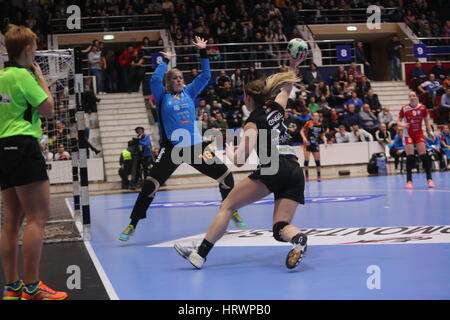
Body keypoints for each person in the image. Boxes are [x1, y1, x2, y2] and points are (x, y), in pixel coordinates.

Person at [174, 51, 309, 270]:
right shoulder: (276, 107)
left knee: (227, 205)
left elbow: (239, 161)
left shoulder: (252, 122)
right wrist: (293, 64)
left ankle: (199, 255)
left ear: (247, 99)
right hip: (294, 169)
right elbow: (286, 88)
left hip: (273, 169)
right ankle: (298, 239)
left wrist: (227, 150)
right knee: (280, 227)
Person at [119, 37, 247, 241]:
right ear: (168, 82)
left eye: (181, 78)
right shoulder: (162, 97)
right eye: (175, 78)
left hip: (196, 147)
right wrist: (165, 62)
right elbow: (154, 80)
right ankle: (133, 223)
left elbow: (205, 75)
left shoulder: (189, 92)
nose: (180, 80)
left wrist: (203, 52)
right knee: (150, 184)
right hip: (172, 149)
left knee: (225, 176)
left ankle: (230, 209)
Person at [0, 24, 67, 300]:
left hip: (2, 148)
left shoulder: (1, 76)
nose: (37, 50)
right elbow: (49, 109)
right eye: (36, 46)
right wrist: (41, 78)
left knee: (11, 220)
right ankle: (32, 286)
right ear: (28, 49)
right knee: (37, 218)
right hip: (24, 147)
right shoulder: (22, 76)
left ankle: (12, 287)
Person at [397, 91, 435, 189]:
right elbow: (398, 121)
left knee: (424, 156)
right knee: (410, 157)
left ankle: (429, 179)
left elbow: (427, 123)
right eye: (410, 96)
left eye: (413, 95)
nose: (412, 97)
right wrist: (403, 125)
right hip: (408, 134)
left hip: (419, 134)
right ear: (408, 98)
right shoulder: (405, 108)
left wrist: (430, 132)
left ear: (416, 97)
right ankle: (409, 181)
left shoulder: (422, 107)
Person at [300, 112, 328, 182]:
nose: (316, 117)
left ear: (319, 117)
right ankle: (306, 176)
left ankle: (319, 176)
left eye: (317, 116)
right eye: (314, 116)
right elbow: (301, 131)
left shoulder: (320, 125)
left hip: (315, 144)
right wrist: (304, 138)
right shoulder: (309, 123)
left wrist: (325, 141)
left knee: (317, 161)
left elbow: (322, 135)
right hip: (308, 143)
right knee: (307, 160)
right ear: (312, 117)